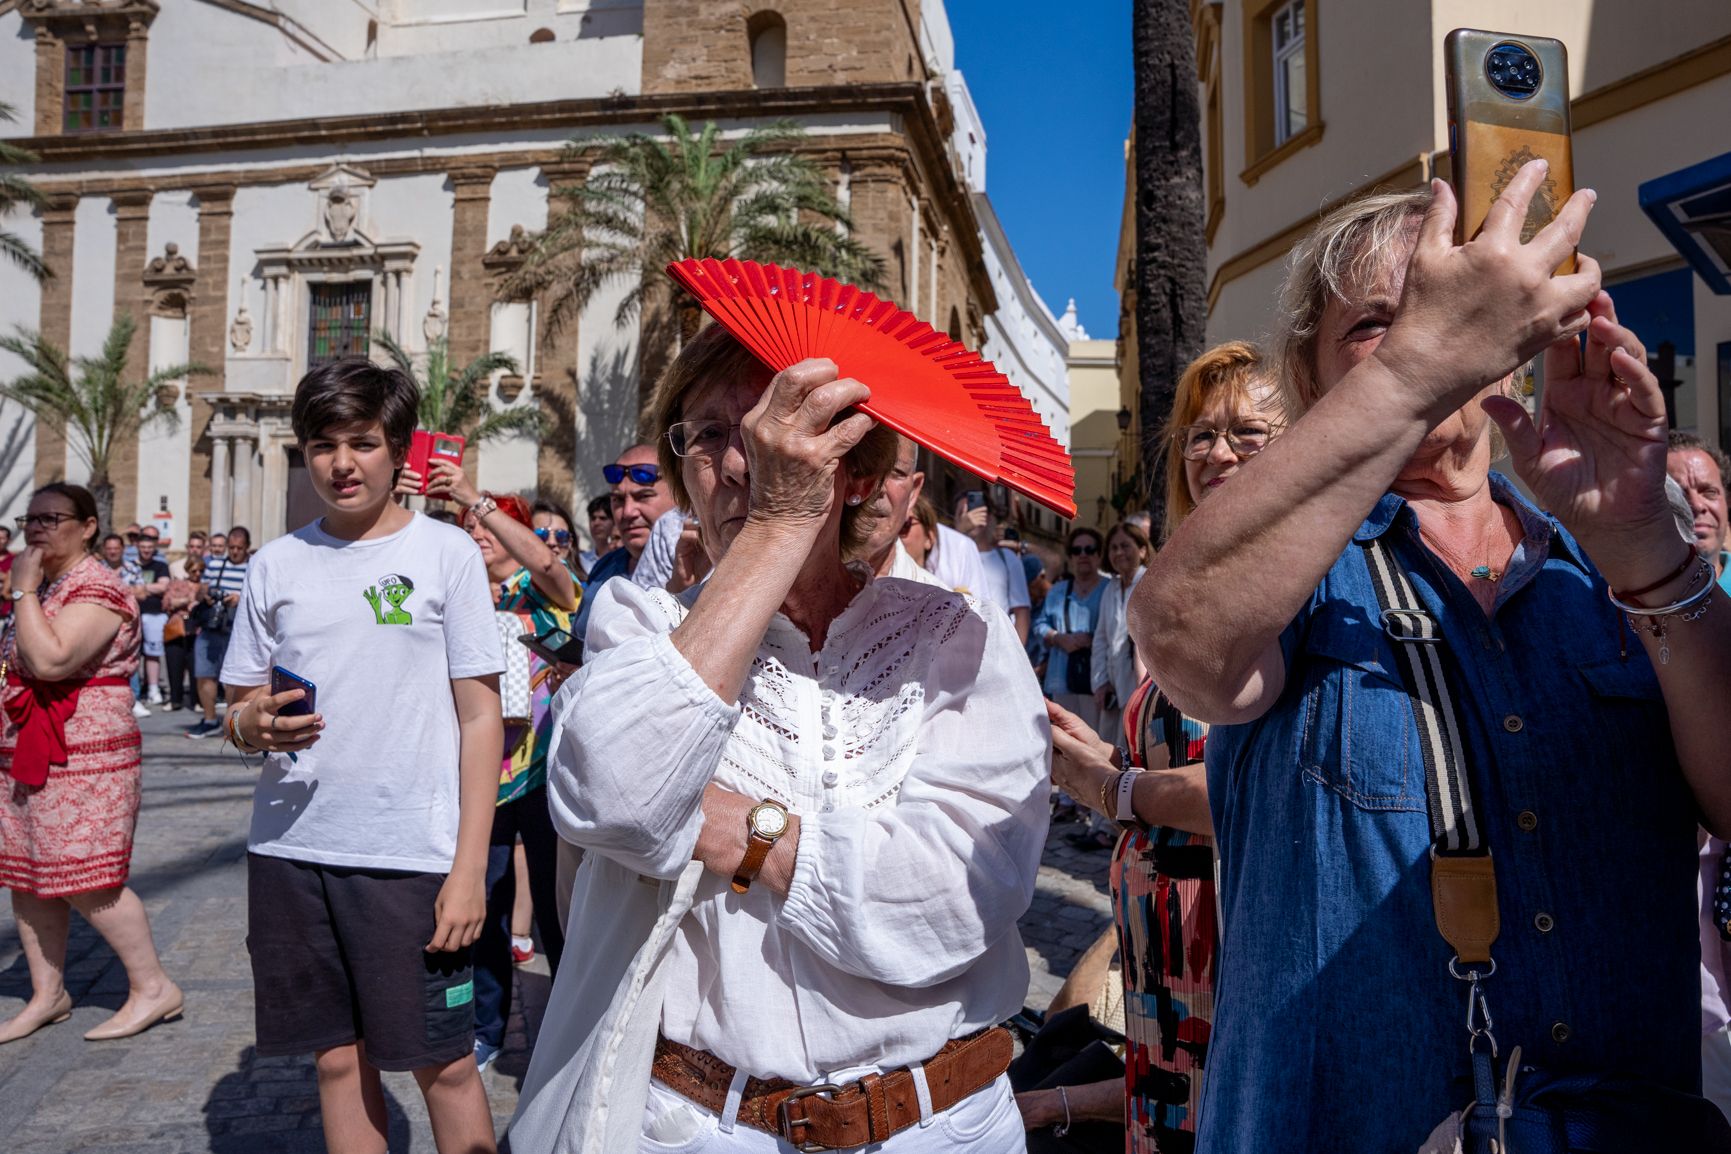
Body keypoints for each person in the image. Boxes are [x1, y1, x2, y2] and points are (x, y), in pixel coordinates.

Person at [1135, 167, 1731, 1150]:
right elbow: (1189, 642)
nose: (1435, 334)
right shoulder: (1298, 567)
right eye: (1382, 322)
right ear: (1317, 380)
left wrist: (1647, 552)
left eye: (1458, 313)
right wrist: (1414, 370)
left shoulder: (1602, 563)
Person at [511, 328, 1051, 1151]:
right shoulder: (641, 626)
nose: (735, 462)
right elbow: (616, 800)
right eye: (707, 436)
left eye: (770, 429)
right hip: (704, 1126)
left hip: (942, 1126)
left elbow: (960, 898)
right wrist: (779, 522)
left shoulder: (956, 634)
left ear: (857, 466)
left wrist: (741, 832)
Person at [221, 358, 503, 1154]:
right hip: (288, 852)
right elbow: (237, 702)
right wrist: (253, 728)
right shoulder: (276, 562)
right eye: (322, 444)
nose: (342, 463)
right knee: (338, 1063)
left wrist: (466, 870)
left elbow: (482, 719)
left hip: (410, 857)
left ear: (399, 450)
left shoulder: (448, 554)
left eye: (362, 442)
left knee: (444, 1065)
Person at [1030, 341, 1277, 1151]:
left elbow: (1250, 796)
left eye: (1246, 431)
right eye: (1200, 434)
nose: (1216, 451)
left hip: (1234, 943)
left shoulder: (1282, 588)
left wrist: (1112, 790)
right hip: (1163, 956)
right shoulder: (1205, 577)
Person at [0, 483, 183, 1044]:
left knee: (87, 873)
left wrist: (23, 593)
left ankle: (153, 987)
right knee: (28, 871)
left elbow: (52, 660)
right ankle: (47, 992)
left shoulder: (97, 587)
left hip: (85, 752)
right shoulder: (52, 585)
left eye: (52, 519)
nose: (37, 529)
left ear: (87, 527)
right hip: (27, 748)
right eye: (31, 519)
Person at [426, 466, 578, 1075]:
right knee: (484, 905)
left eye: (490, 524)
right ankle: (487, 1026)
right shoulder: (456, 597)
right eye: (468, 526)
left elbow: (549, 570)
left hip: (543, 772)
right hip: (481, 777)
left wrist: (476, 500)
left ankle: (573, 1026)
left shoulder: (542, 590)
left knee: (556, 909)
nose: (476, 530)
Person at [573, 445, 678, 639]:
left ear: (680, 496)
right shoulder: (604, 567)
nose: (628, 512)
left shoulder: (698, 569)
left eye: (644, 496)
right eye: (618, 500)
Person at [1088, 521, 1151, 755]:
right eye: (1113, 548)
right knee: (1107, 746)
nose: (1118, 553)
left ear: (1143, 550)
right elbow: (1101, 638)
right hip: (1113, 683)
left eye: (1125, 546)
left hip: (1139, 679)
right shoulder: (1111, 588)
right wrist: (1100, 682)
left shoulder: (1150, 583)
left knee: (1134, 745)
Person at [187, 528, 250, 739]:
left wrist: (240, 598)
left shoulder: (254, 566)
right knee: (205, 673)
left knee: (234, 678)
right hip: (212, 626)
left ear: (246, 548)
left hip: (237, 628)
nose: (234, 552)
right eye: (230, 547)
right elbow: (200, 589)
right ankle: (210, 718)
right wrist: (207, 594)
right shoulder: (215, 565)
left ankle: (234, 722)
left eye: (238, 548)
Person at [861, 435, 946, 587]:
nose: (877, 488)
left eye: (896, 473)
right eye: (862, 468)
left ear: (913, 492)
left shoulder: (952, 609)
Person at [956, 490, 1032, 642]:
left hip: (996, 649)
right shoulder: (948, 556)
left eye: (973, 509)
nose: (968, 516)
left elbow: (1021, 612)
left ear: (989, 517)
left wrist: (1017, 659)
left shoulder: (1007, 559)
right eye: (961, 513)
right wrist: (960, 532)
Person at [1668, 432, 1731, 593]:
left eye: (1709, 492)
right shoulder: (1615, 599)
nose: (1696, 505)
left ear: (1727, 501)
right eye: (1678, 495)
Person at [128, 526, 170, 706]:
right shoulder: (129, 565)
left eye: (149, 547)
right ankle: (135, 691)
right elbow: (125, 587)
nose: (146, 550)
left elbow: (163, 586)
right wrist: (149, 588)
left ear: (154, 547)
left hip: (154, 614)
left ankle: (153, 689)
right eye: (143, 547)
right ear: (137, 546)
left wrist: (140, 588)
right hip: (133, 614)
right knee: (133, 654)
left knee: (153, 653)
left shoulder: (160, 566)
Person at [160, 552, 202, 713]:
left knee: (195, 668)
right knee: (174, 665)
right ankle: (175, 700)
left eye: (200, 571)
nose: (197, 574)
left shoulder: (204, 586)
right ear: (187, 571)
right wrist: (187, 601)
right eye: (194, 571)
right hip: (176, 627)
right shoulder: (177, 584)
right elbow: (166, 603)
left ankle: (196, 700)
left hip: (196, 629)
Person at [531, 496, 584, 578]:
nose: (552, 542)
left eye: (561, 535)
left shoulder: (587, 589)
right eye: (542, 534)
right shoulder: (511, 586)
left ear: (570, 543)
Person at [583, 494, 614, 573]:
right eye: (593, 518)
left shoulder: (622, 560)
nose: (596, 523)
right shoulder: (582, 560)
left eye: (603, 518)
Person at [0, 524, 16, 621]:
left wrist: (6, 577)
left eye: (1, 538)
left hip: (6, 615)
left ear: (9, 541)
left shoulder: (15, 560)